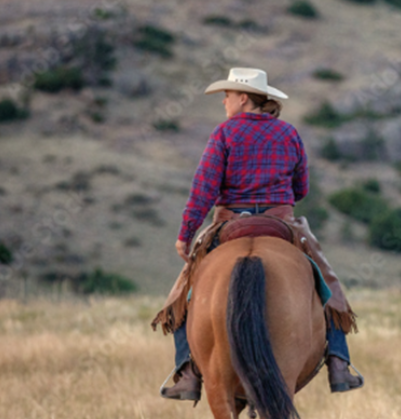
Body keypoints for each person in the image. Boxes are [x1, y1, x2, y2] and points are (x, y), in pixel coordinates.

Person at [152, 67, 363, 400]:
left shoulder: (224, 134)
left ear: (243, 98)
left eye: (228, 95)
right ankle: (339, 362)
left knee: (180, 296)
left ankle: (188, 371)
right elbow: (301, 188)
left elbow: (203, 190)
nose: (224, 102)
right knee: (328, 282)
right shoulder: (289, 133)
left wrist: (185, 234)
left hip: (228, 223)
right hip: (281, 221)